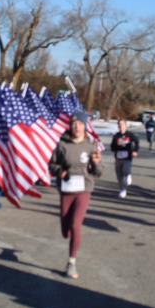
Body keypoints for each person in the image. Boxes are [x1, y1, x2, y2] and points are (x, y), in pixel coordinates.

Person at [50, 111, 102, 279]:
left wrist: (96, 164)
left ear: (84, 126)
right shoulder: (62, 145)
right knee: (65, 229)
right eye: (73, 124)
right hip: (66, 189)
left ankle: (71, 263)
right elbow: (52, 165)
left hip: (84, 188)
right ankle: (68, 233)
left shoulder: (90, 146)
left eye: (79, 124)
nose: (76, 127)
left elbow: (98, 172)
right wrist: (60, 171)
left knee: (75, 225)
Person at [109, 118, 139, 198]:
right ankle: (122, 190)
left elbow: (136, 141)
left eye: (122, 125)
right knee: (119, 176)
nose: (121, 126)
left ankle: (128, 175)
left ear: (126, 126)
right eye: (119, 125)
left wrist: (135, 151)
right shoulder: (116, 136)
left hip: (127, 158)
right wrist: (118, 145)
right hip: (118, 158)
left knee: (126, 170)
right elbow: (112, 147)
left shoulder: (130, 135)